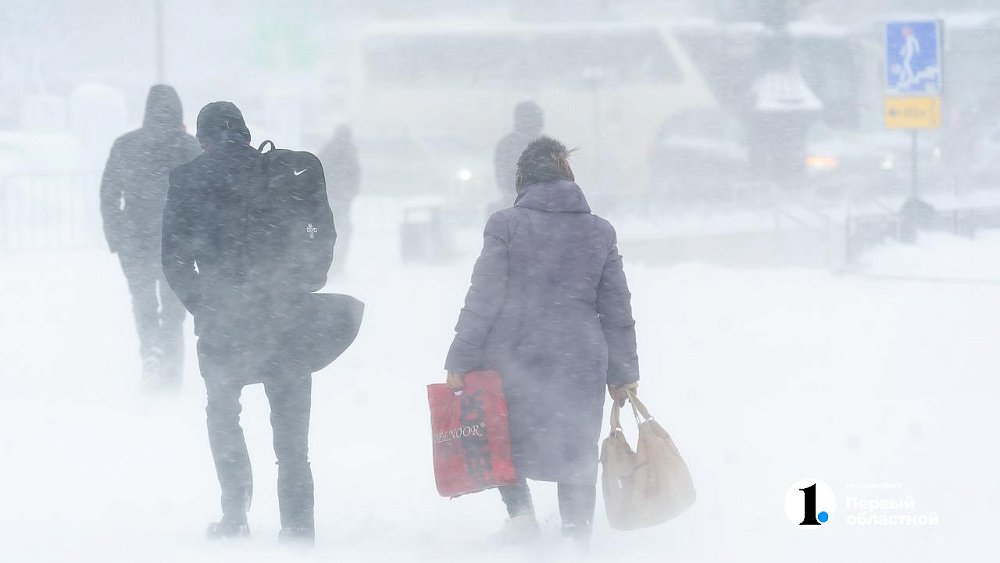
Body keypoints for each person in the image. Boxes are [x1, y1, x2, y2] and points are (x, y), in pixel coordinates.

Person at [445, 137, 640, 546]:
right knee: (576, 446)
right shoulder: (599, 231)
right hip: (580, 358)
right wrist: (623, 372)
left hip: (513, 354)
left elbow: (483, 297)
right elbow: (616, 308)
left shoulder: (506, 225)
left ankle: (521, 518)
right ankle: (576, 535)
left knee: (507, 439)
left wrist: (461, 359)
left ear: (522, 179)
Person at [161, 101, 335, 543]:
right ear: (245, 133)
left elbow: (174, 259)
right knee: (291, 426)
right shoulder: (282, 172)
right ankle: (298, 524)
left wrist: (204, 304)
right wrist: (301, 284)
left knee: (223, 414)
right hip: (286, 315)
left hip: (224, 320)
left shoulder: (188, 179)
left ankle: (234, 515)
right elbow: (318, 235)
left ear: (202, 137)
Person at [100, 84, 201, 391]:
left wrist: (117, 236)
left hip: (135, 241)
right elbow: (207, 197)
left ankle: (151, 353)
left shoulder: (126, 145)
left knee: (144, 305)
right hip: (177, 242)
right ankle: (169, 377)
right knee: (174, 311)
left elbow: (109, 195)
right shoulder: (189, 147)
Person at [319, 124, 360, 274]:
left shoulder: (328, 150)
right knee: (342, 232)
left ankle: (326, 266)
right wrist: (350, 193)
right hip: (342, 199)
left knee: (327, 233)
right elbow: (355, 176)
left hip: (328, 199)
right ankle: (337, 266)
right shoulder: (350, 151)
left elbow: (318, 171)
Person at [494, 101, 544, 196]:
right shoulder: (548, 145)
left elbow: (501, 175)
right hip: (519, 195)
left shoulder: (506, 144)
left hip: (518, 196)